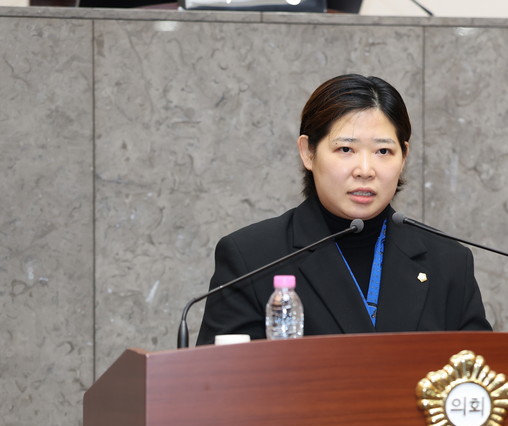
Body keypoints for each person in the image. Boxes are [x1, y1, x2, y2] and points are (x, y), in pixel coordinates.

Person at [196, 74, 491, 345]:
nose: (365, 170)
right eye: (346, 149)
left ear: (404, 157)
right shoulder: (252, 258)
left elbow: (480, 374)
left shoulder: (449, 262)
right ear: (307, 152)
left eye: (383, 151)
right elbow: (220, 379)